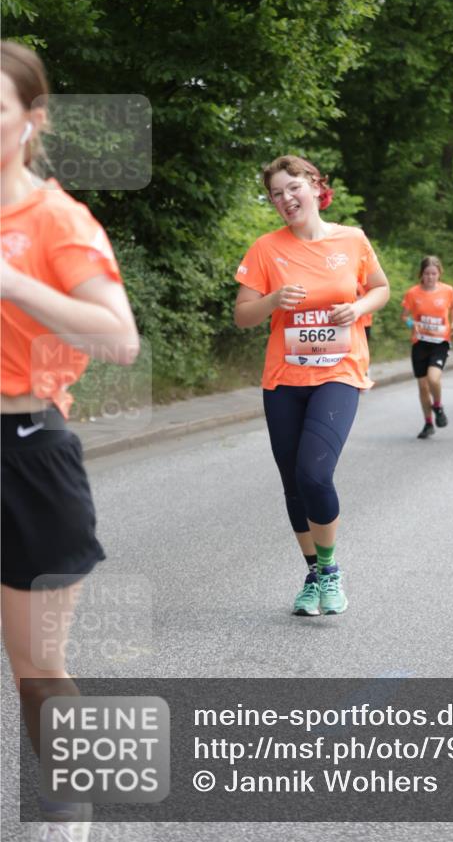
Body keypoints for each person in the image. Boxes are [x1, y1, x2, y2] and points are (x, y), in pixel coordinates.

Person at [1, 41, 140, 842]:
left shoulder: (56, 220)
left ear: (31, 122)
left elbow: (119, 339)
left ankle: (66, 807)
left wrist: (15, 283)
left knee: (37, 669)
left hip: (24, 450)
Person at [234, 155, 389, 616]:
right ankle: (314, 573)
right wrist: (273, 300)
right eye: (276, 194)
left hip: (339, 372)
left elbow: (380, 288)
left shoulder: (352, 239)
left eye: (292, 188)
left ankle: (330, 568)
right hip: (284, 379)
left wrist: (359, 308)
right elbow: (243, 316)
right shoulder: (265, 249)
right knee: (292, 484)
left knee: (314, 473)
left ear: (315, 186)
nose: (285, 199)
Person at [401, 256, 453, 439]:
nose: (430, 277)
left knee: (433, 379)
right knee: (422, 386)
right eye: (427, 273)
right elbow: (404, 316)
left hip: (440, 342)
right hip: (420, 343)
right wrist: (412, 324)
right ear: (421, 274)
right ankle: (428, 423)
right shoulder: (413, 293)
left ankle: (438, 407)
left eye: (434, 273)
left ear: (439, 274)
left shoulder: (447, 290)